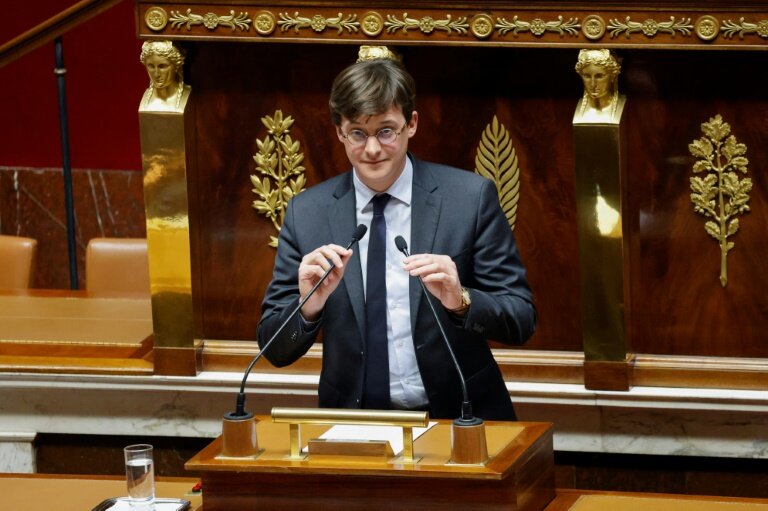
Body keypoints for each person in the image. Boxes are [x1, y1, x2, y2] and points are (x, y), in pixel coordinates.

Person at [257, 56, 536, 420]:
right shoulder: (307, 214)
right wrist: (309, 306)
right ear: (340, 132)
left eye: (386, 130)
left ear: (411, 124)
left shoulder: (468, 199)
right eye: (358, 133)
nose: (372, 149)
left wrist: (461, 299)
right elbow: (275, 349)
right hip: (355, 429)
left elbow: (521, 319)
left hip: (460, 418)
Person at [574, 48, 624, 123]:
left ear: (613, 76)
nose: (593, 84)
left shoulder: (627, 106)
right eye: (587, 76)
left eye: (599, 76)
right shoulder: (570, 108)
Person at [139, 40, 188, 112]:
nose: (156, 74)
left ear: (176, 66)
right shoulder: (146, 102)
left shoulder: (186, 95)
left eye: (162, 66)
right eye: (151, 66)